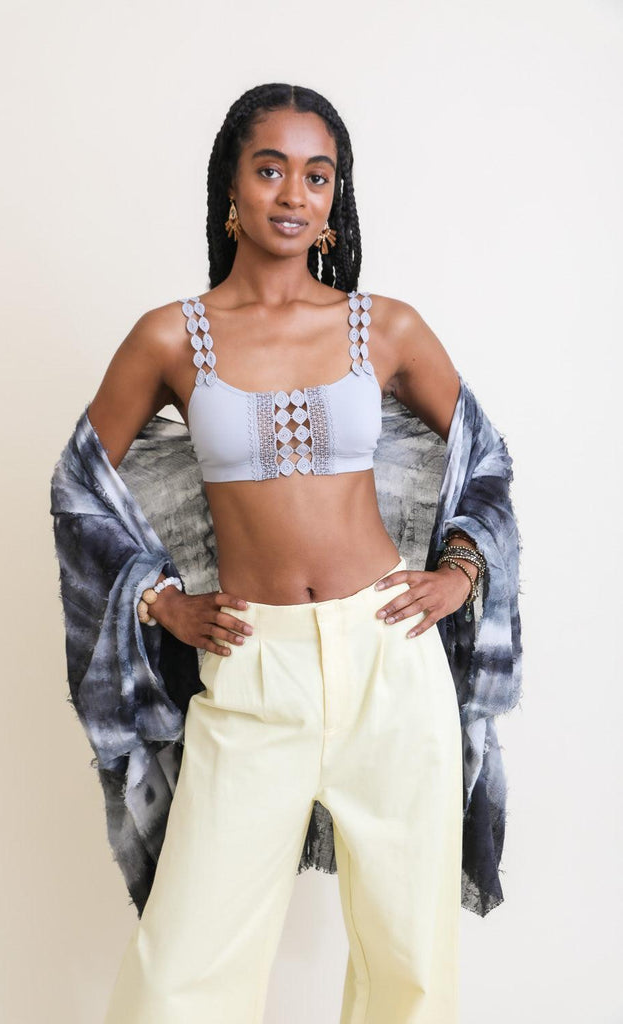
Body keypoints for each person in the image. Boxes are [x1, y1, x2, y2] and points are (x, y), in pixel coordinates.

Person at [50, 82, 522, 1024]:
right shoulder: (170, 336)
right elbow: (78, 485)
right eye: (270, 170)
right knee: (183, 968)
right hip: (253, 665)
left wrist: (459, 573)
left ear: (335, 196)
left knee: (407, 963)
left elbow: (486, 457)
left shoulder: (383, 326)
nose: (293, 194)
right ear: (231, 186)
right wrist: (158, 600)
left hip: (389, 656)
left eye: (317, 175)